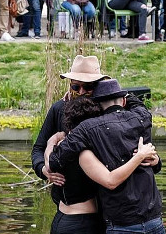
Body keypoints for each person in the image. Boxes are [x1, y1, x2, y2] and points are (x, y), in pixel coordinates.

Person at [48, 78, 166, 234]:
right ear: (123, 100)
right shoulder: (141, 117)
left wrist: (53, 141)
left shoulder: (87, 130)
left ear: (96, 102)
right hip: (154, 221)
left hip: (121, 226)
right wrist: (104, 81)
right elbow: (137, 102)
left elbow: (55, 162)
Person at [31, 54, 109, 192]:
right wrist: (44, 169)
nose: (81, 92)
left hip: (102, 190)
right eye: (75, 87)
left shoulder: (107, 108)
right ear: (70, 85)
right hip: (68, 193)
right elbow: (38, 148)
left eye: (88, 87)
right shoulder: (59, 108)